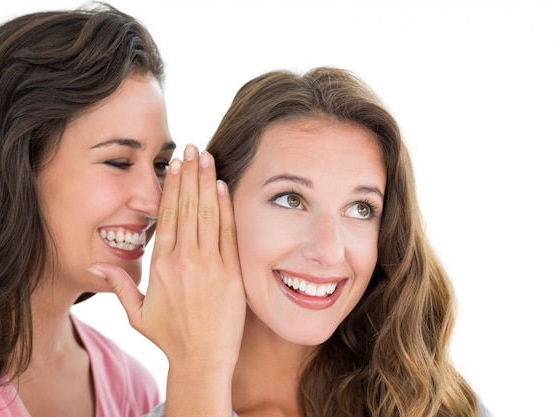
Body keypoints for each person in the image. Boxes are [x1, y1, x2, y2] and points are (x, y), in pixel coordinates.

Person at [99, 67, 494, 416]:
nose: (327, 250)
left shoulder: (440, 408)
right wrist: (198, 372)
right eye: (291, 199)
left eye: (360, 208)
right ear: (216, 207)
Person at [0, 4, 182, 416]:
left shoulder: (133, 388)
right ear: (14, 169)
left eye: (160, 166)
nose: (155, 203)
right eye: (119, 161)